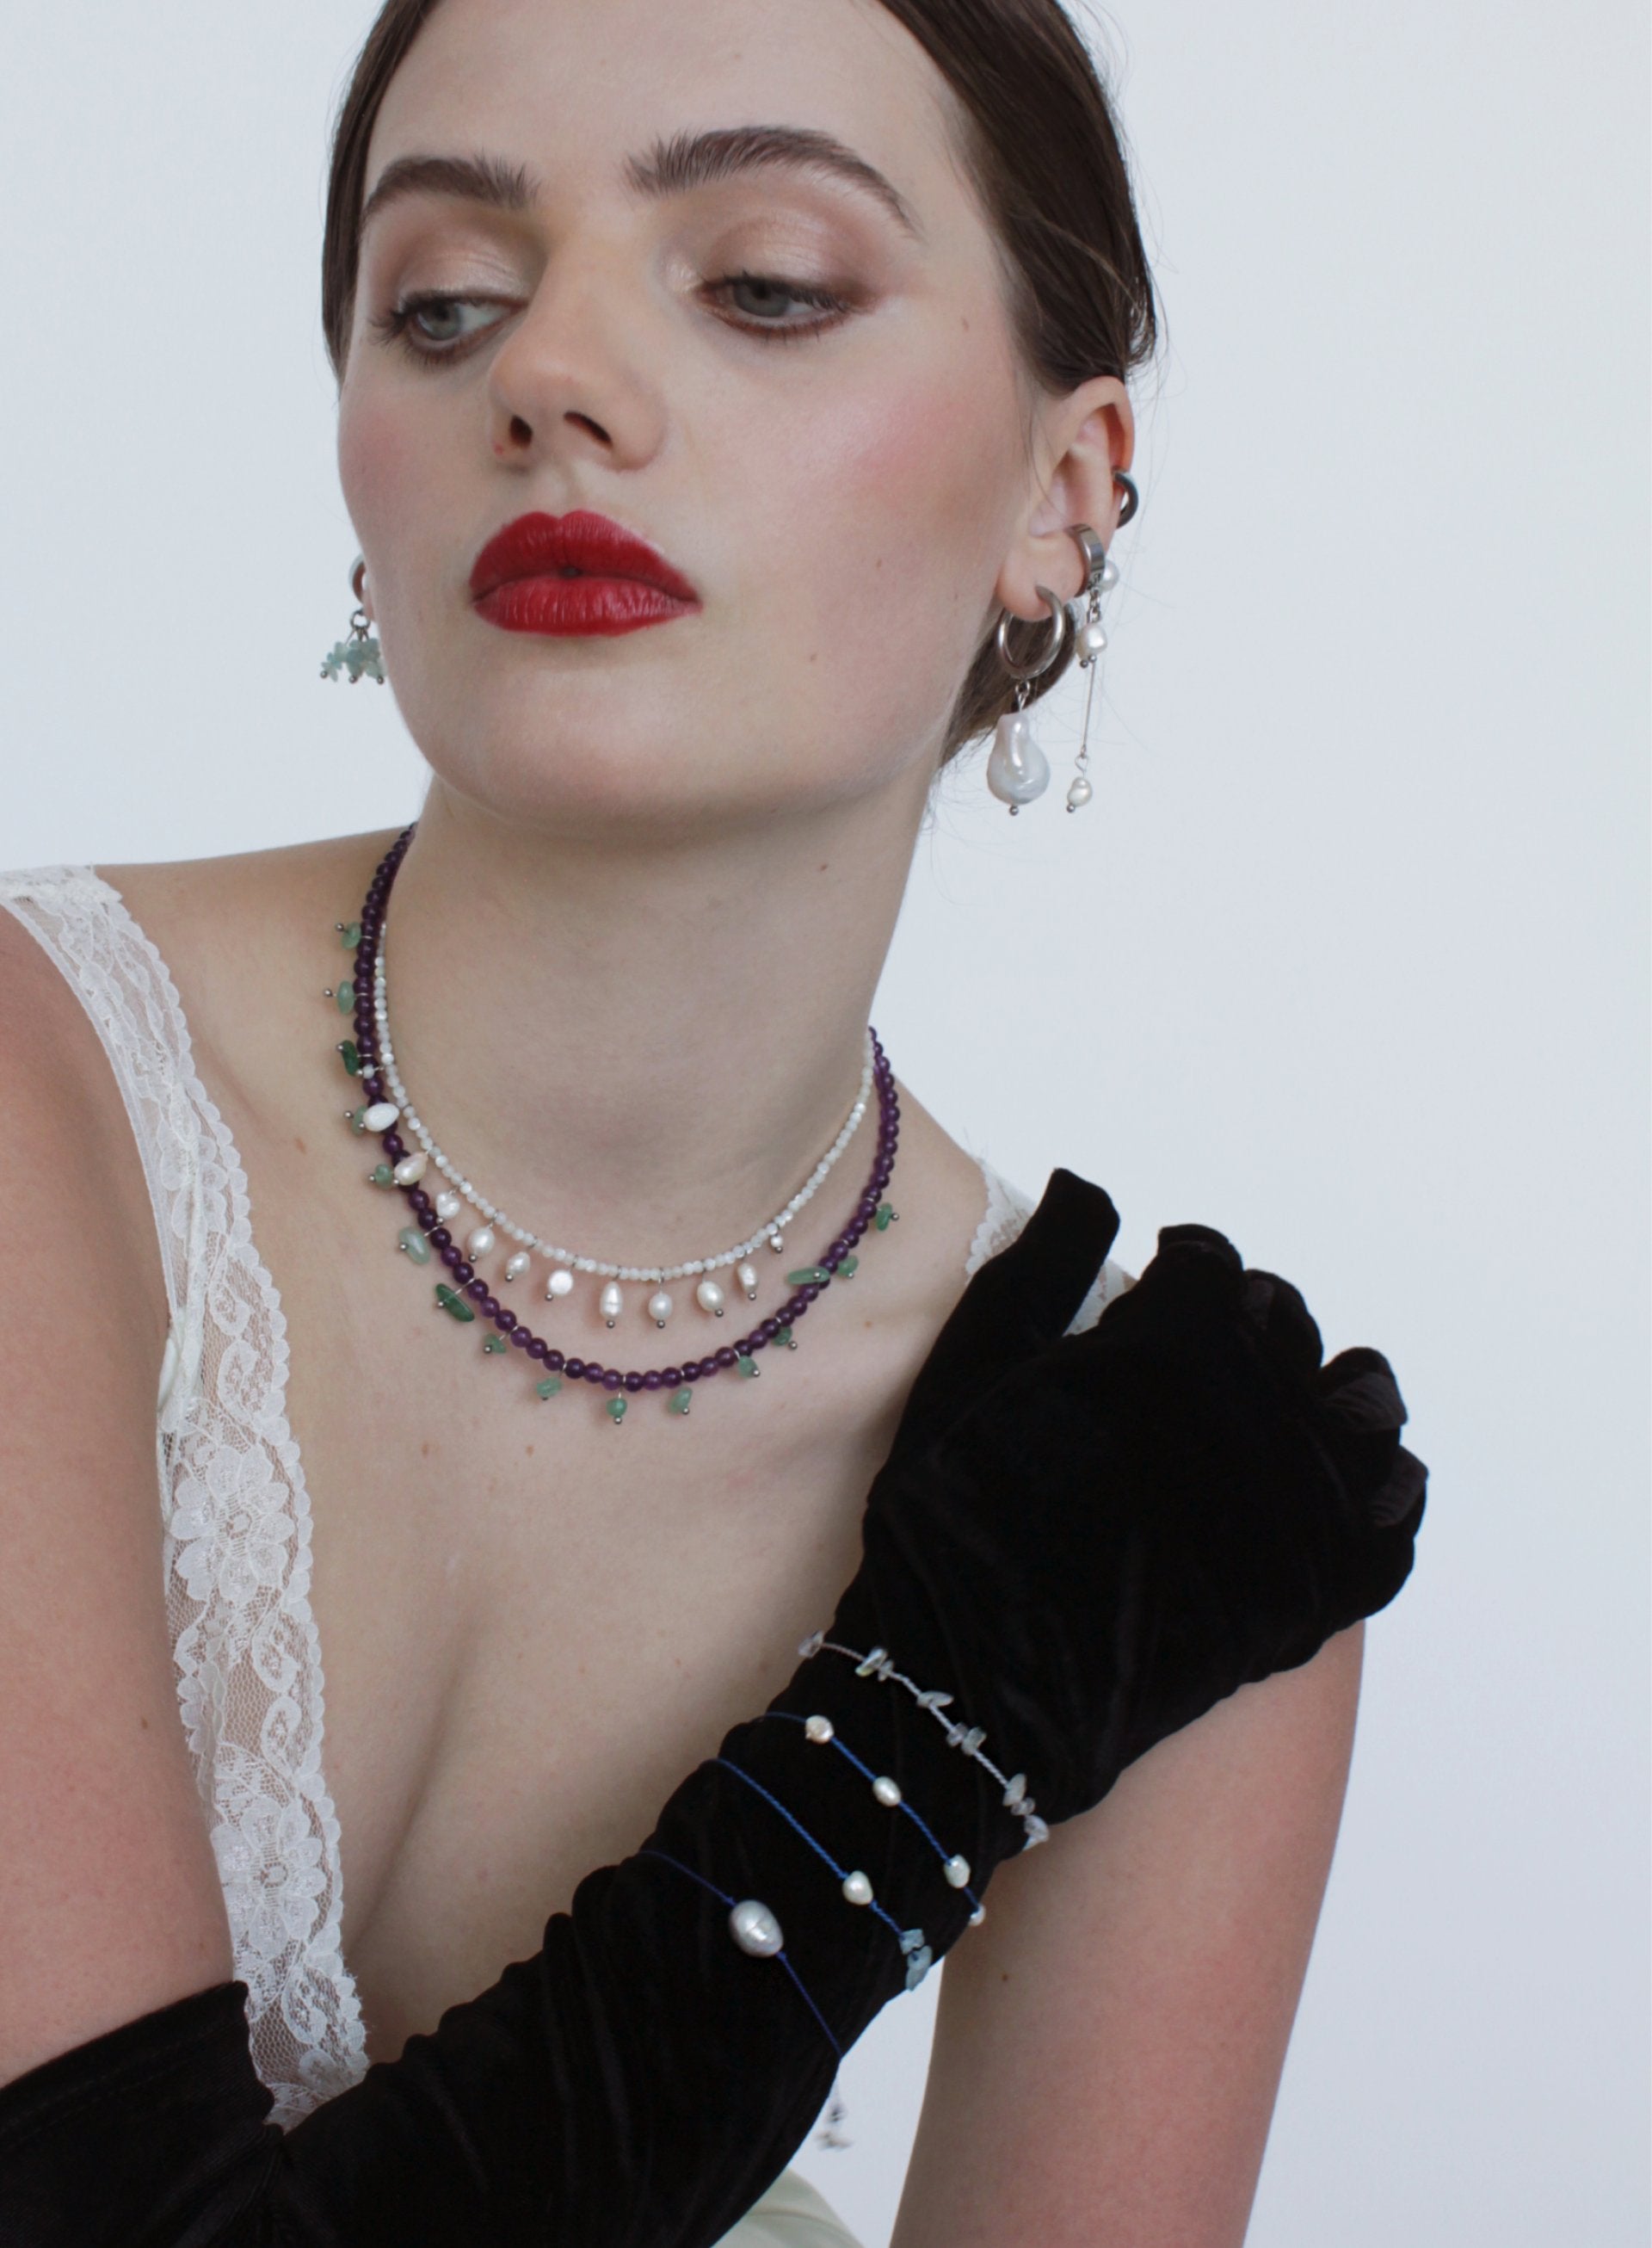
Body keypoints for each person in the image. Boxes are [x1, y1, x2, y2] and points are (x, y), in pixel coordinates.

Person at [0, 2, 1426, 2242]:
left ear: (1065, 491)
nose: (543, 377)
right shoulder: (29, 1095)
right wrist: (919, 1739)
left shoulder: (1163, 1473)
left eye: (765, 281)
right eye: (443, 301)